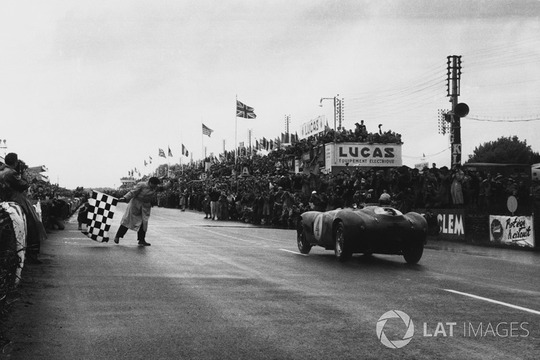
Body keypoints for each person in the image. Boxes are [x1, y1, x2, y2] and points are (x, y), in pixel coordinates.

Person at [0, 152, 47, 264]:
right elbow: (24, 185)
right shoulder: (12, 173)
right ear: (15, 162)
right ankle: (32, 255)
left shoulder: (1, 172)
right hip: (17, 200)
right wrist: (23, 173)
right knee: (34, 224)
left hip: (4, 200)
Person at [113, 177, 168, 246]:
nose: (155, 186)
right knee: (128, 221)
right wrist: (125, 198)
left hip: (145, 207)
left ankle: (141, 240)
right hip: (135, 205)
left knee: (143, 223)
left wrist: (170, 182)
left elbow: (164, 188)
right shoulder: (141, 185)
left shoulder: (155, 187)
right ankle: (118, 236)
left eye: (156, 185)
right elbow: (132, 192)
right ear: (150, 183)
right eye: (154, 184)